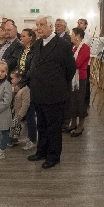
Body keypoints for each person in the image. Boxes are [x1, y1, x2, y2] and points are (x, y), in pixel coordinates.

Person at [27, 16, 76, 169]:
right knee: (41, 125)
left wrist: (58, 84)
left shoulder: (62, 45)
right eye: (37, 25)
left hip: (54, 94)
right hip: (38, 93)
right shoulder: (37, 43)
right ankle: (41, 151)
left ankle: (53, 156)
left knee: (53, 128)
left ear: (51, 27)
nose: (38, 28)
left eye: (42, 24)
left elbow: (70, 69)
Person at [65, 27, 90, 137]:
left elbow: (77, 63)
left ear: (78, 36)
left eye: (72, 34)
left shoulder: (85, 48)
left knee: (80, 101)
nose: (70, 36)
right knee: (72, 101)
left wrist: (67, 65)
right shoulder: (74, 48)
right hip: (73, 78)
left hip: (80, 78)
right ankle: (73, 123)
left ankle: (81, 125)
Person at [8, 69, 36, 150]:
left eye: (12, 78)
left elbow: (26, 103)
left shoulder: (25, 89)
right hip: (19, 110)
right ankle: (28, 137)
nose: (11, 80)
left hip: (27, 109)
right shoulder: (15, 87)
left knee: (30, 123)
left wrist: (20, 114)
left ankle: (32, 140)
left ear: (19, 79)